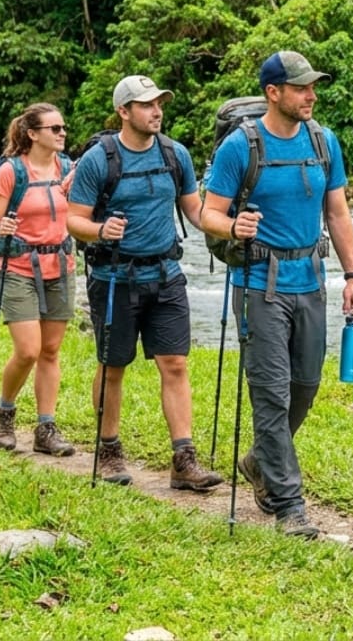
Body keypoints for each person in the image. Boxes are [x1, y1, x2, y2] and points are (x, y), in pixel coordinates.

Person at [199, 51, 353, 539]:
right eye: (301, 87)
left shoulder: (323, 141)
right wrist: (234, 225)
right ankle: (290, 505)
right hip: (258, 284)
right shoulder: (239, 147)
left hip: (311, 279)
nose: (311, 94)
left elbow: (337, 213)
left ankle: (259, 460)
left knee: (305, 386)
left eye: (313, 86)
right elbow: (209, 213)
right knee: (270, 392)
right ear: (274, 92)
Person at [66, 76, 223, 491]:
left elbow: (196, 211)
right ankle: (109, 449)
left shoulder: (176, 154)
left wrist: (232, 228)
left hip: (167, 275)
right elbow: (74, 219)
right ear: (124, 111)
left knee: (175, 364)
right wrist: (100, 231)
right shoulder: (99, 159)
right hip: (114, 277)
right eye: (146, 104)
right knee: (113, 366)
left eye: (159, 104)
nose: (157, 111)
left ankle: (184, 459)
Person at [0, 103, 77, 456]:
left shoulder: (67, 168)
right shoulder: (11, 171)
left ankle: (46, 429)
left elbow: (80, 212)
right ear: (32, 134)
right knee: (28, 350)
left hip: (61, 265)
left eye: (63, 128)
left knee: (50, 351)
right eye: (54, 128)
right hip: (19, 267)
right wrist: (0, 227)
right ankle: (5, 411)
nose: (62, 133)